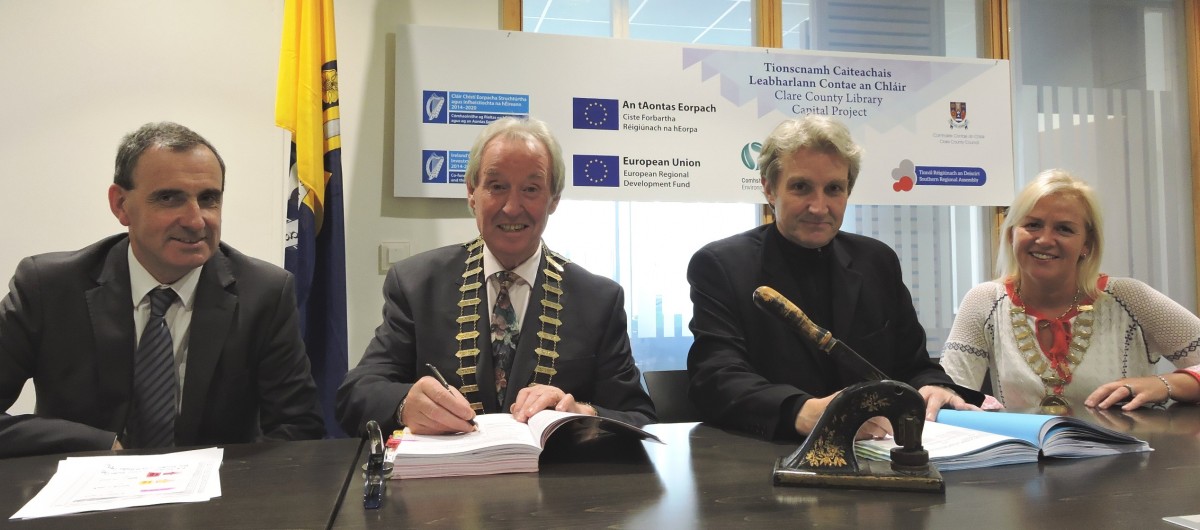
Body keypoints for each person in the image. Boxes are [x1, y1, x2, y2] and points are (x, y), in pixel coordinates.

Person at [0, 122, 325, 458]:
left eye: (209, 199)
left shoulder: (264, 293)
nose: (196, 220)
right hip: (81, 496)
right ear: (121, 205)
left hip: (215, 499)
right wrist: (94, 444)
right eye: (170, 198)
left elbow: (298, 428)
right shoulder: (48, 288)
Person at [336, 116, 655, 436]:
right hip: (447, 480)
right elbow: (357, 395)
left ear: (554, 199)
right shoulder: (417, 284)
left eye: (531, 189)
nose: (512, 207)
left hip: (556, 481)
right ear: (472, 193)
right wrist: (405, 403)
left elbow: (639, 417)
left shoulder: (597, 299)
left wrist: (580, 413)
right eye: (497, 186)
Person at [686, 115, 982, 441]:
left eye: (834, 189)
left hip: (879, 454)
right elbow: (716, 378)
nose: (819, 206)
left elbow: (913, 365)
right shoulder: (722, 265)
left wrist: (932, 387)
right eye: (801, 187)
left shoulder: (877, 261)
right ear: (769, 189)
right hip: (770, 457)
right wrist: (801, 410)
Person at [941, 169, 1200, 411]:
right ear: (1011, 234)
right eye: (1032, 225)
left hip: (1127, 458)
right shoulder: (984, 302)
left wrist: (1165, 385)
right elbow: (950, 395)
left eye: (1064, 229)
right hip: (1022, 457)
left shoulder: (1129, 299)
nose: (1044, 239)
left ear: (1086, 244)